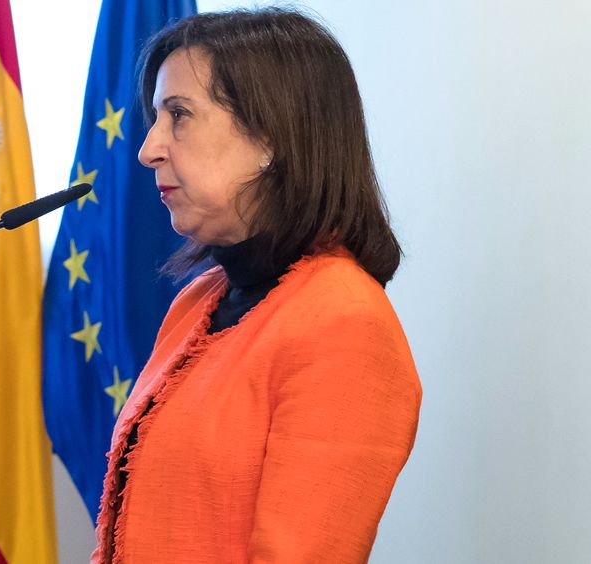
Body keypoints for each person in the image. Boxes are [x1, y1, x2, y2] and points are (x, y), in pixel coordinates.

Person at [91, 8, 422, 563]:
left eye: (179, 115)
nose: (148, 149)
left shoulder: (345, 323)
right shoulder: (198, 301)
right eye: (156, 117)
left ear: (270, 135)